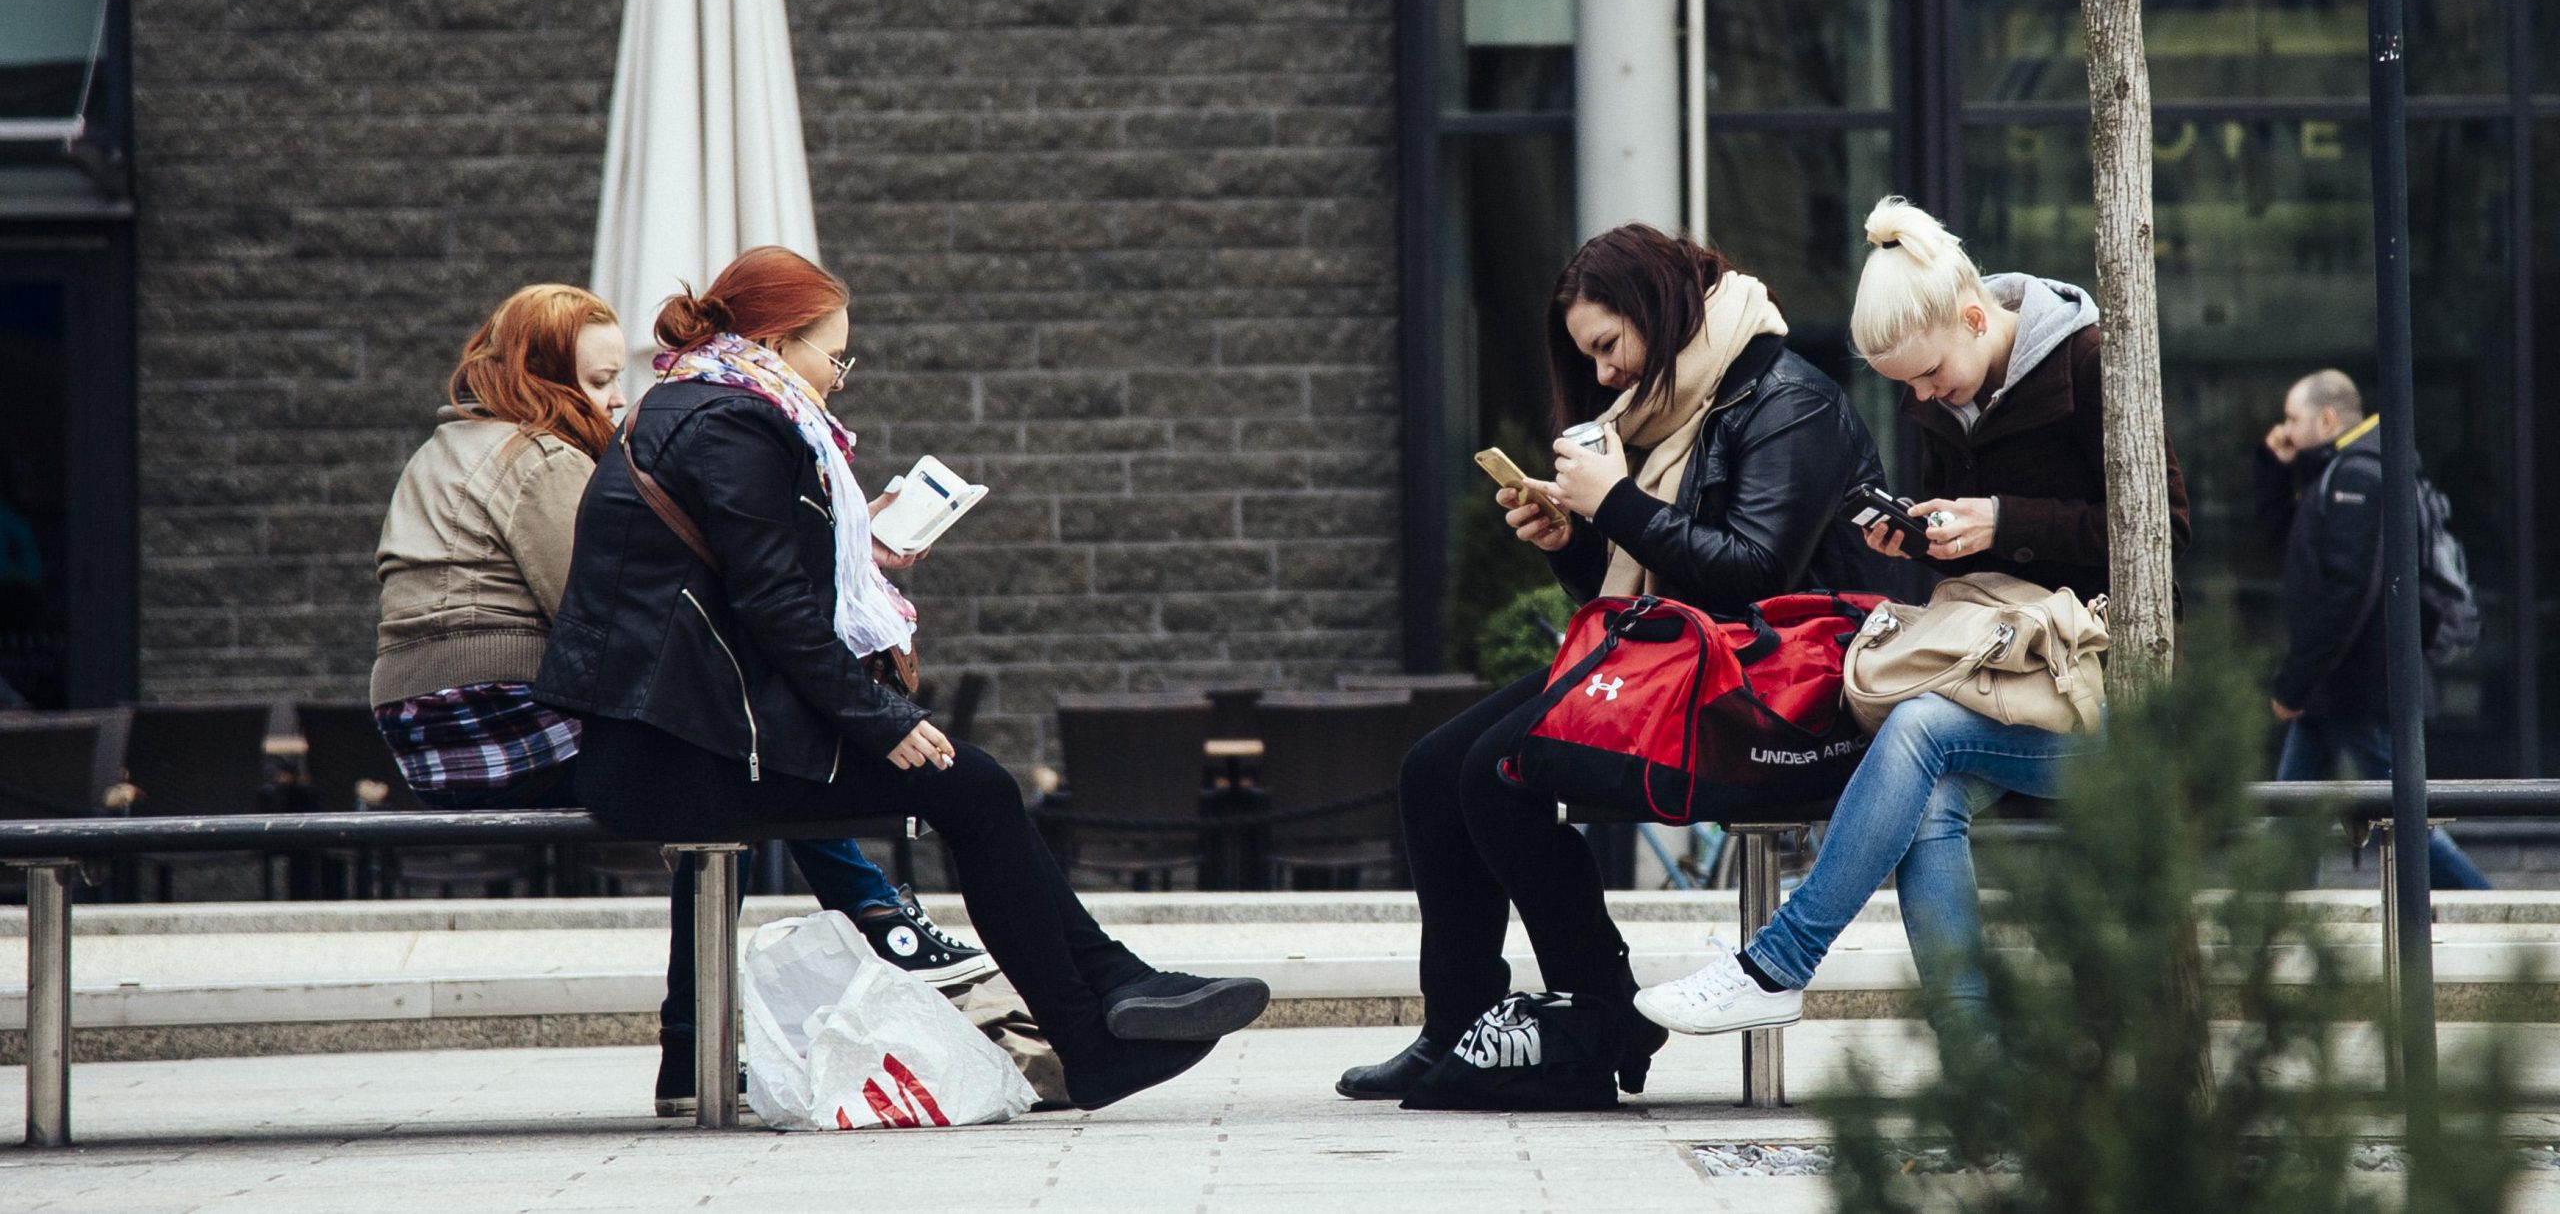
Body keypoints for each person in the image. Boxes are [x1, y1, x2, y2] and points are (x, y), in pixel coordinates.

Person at [535, 246, 1268, 1112]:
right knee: (978, 786)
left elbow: (751, 571)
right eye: (833, 355)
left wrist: (858, 542)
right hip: (688, 750)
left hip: (691, 733)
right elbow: (773, 603)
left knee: (977, 786)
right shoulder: (733, 420)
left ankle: (1108, 1002)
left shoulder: (701, 404)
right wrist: (877, 716)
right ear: (776, 337)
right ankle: (1101, 1015)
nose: (840, 378)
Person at [370, 283, 991, 1120]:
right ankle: (865, 927)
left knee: (725, 762)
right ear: (541, 374)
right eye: (595, 382)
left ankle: (715, 1032)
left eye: (617, 376)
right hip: (497, 721)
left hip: (429, 725)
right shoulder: (539, 459)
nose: (619, 396)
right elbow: (602, 613)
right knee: (724, 756)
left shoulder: (448, 447)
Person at [1337, 225, 1893, 1102]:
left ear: (1659, 310)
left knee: (1499, 768)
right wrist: (1572, 540)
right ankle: (1457, 1022)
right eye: (1588, 354)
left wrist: (1619, 502)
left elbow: (1755, 574)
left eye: (1608, 345)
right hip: (1696, 668)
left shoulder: (1792, 401)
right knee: (1431, 768)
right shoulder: (1670, 415)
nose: (1602, 374)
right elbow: (1639, 597)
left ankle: (1599, 1015)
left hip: (1787, 694)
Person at [1633, 196, 2191, 1042]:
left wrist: (2004, 519)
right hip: (2005, 672)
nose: (1926, 396)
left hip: (2109, 679)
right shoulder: (1938, 390)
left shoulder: (2091, 362)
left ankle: (1776, 964)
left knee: (1923, 728)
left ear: (1975, 317)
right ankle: (1977, 1070)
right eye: (1909, 389)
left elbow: (2166, 538)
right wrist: (1924, 540)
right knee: (1927, 795)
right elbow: (1978, 571)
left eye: (1936, 379)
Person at [2257, 369, 2489, 890]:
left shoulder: (2359, 476)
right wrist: (2273, 466)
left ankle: (2493, 907)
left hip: (2360, 688)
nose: (2286, 430)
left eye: (2293, 419)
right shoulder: (2341, 471)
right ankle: (2281, 925)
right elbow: (2285, 538)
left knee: (2406, 818)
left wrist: (2296, 681)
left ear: (2328, 418)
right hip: (2339, 689)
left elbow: (2347, 592)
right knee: (2292, 811)